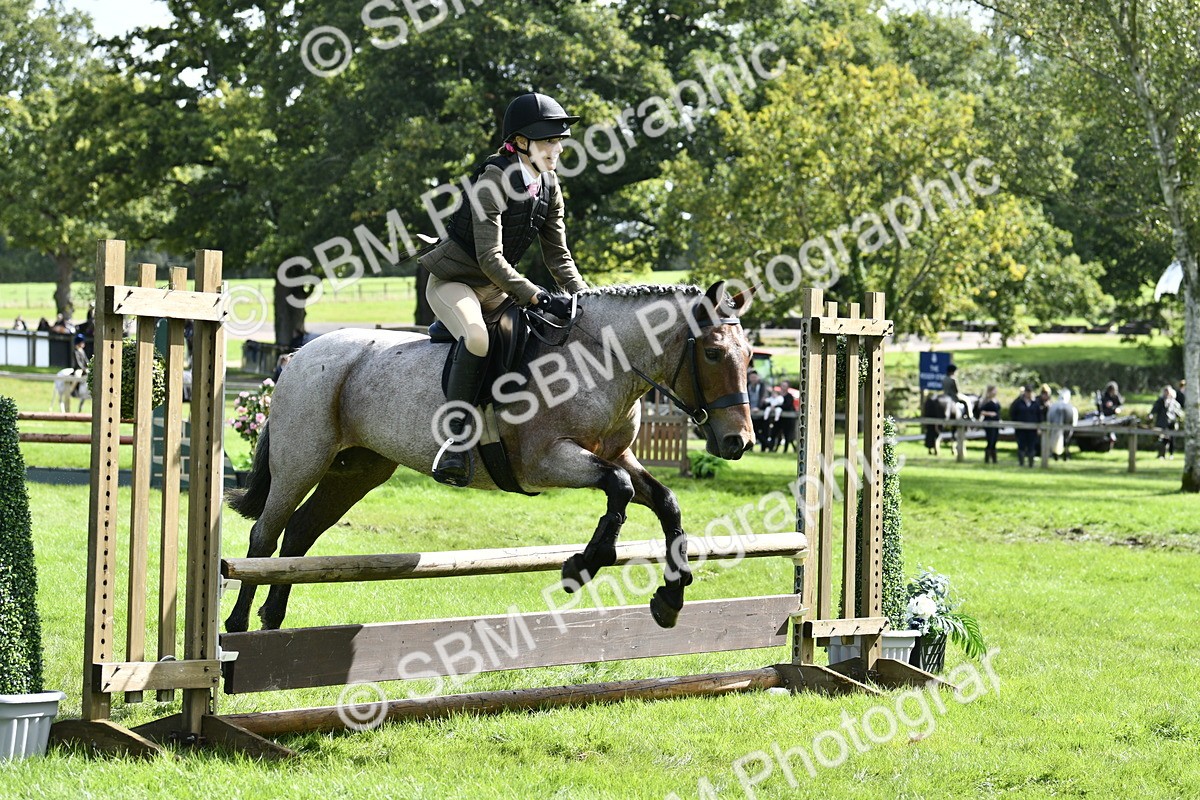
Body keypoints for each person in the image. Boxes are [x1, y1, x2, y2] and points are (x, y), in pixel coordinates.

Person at [419, 92, 588, 486]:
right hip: (456, 282)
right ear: (523, 143)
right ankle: (456, 441)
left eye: (560, 141)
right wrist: (534, 293)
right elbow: (490, 257)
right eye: (549, 141)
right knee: (477, 338)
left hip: (497, 291)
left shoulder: (549, 186)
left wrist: (583, 296)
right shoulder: (492, 181)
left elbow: (558, 255)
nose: (557, 149)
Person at [1010, 385, 1041, 467]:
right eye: (1027, 392)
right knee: (1021, 446)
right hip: (1021, 429)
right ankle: (1021, 463)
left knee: (1031, 446)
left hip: (1032, 429)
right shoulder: (1018, 403)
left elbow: (1039, 416)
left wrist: (1038, 427)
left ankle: (1031, 464)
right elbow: (1013, 413)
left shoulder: (1035, 404)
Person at [1150, 385, 1182, 459]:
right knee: (1162, 439)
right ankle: (1161, 454)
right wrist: (1151, 414)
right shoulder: (1160, 401)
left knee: (1172, 439)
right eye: (1165, 391)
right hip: (1162, 423)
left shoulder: (1174, 402)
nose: (1166, 393)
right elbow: (1155, 408)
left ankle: (1171, 454)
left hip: (1171, 423)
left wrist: (1178, 416)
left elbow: (1179, 411)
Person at [1046, 389, 1079, 461]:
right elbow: (1073, 425)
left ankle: (1055, 453)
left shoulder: (1053, 406)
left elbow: (1049, 421)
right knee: (1067, 435)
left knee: (1054, 433)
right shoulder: (1071, 407)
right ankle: (1066, 452)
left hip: (1054, 427)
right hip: (1068, 426)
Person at [978, 384, 1001, 463]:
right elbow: (981, 411)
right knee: (990, 440)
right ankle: (987, 459)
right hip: (989, 423)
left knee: (995, 440)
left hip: (996, 423)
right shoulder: (986, 401)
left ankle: (994, 459)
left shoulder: (996, 400)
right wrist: (990, 414)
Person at [746, 369, 768, 448]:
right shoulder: (747, 386)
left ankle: (765, 446)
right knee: (751, 430)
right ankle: (750, 447)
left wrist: (758, 407)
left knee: (762, 431)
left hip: (760, 412)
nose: (753, 379)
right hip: (750, 412)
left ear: (757, 378)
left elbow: (763, 397)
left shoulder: (762, 386)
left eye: (755, 377)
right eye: (751, 377)